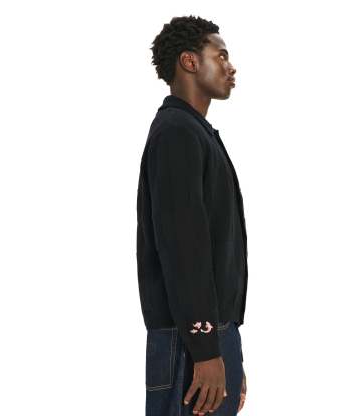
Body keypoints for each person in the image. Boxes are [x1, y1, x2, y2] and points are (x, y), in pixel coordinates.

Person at [136, 15, 248, 415]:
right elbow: (184, 250)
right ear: (189, 61)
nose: (231, 67)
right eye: (221, 56)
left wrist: (227, 351)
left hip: (209, 338)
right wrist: (206, 351)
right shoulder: (177, 134)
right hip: (189, 343)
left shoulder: (195, 133)